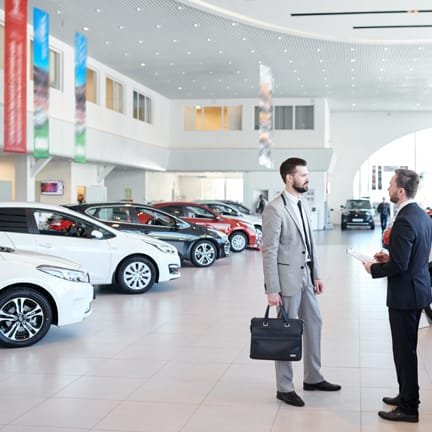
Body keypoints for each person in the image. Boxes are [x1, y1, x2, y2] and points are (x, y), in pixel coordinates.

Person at [262, 157, 341, 407]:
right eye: (303, 175)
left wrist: (316, 274)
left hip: (306, 274)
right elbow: (269, 251)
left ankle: (313, 377)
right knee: (287, 330)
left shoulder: (302, 203)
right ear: (289, 178)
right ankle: (284, 387)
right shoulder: (275, 208)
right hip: (287, 279)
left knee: (314, 323)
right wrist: (272, 289)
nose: (308, 179)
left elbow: (310, 242)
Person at [363, 169, 432, 423]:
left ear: (401, 191)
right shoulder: (421, 215)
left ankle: (409, 407)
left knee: (404, 352)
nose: (388, 188)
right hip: (418, 289)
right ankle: (406, 395)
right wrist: (390, 256)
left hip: (405, 296)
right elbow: (412, 255)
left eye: (391, 184)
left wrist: (373, 268)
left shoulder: (404, 219)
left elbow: (400, 266)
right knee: (406, 350)